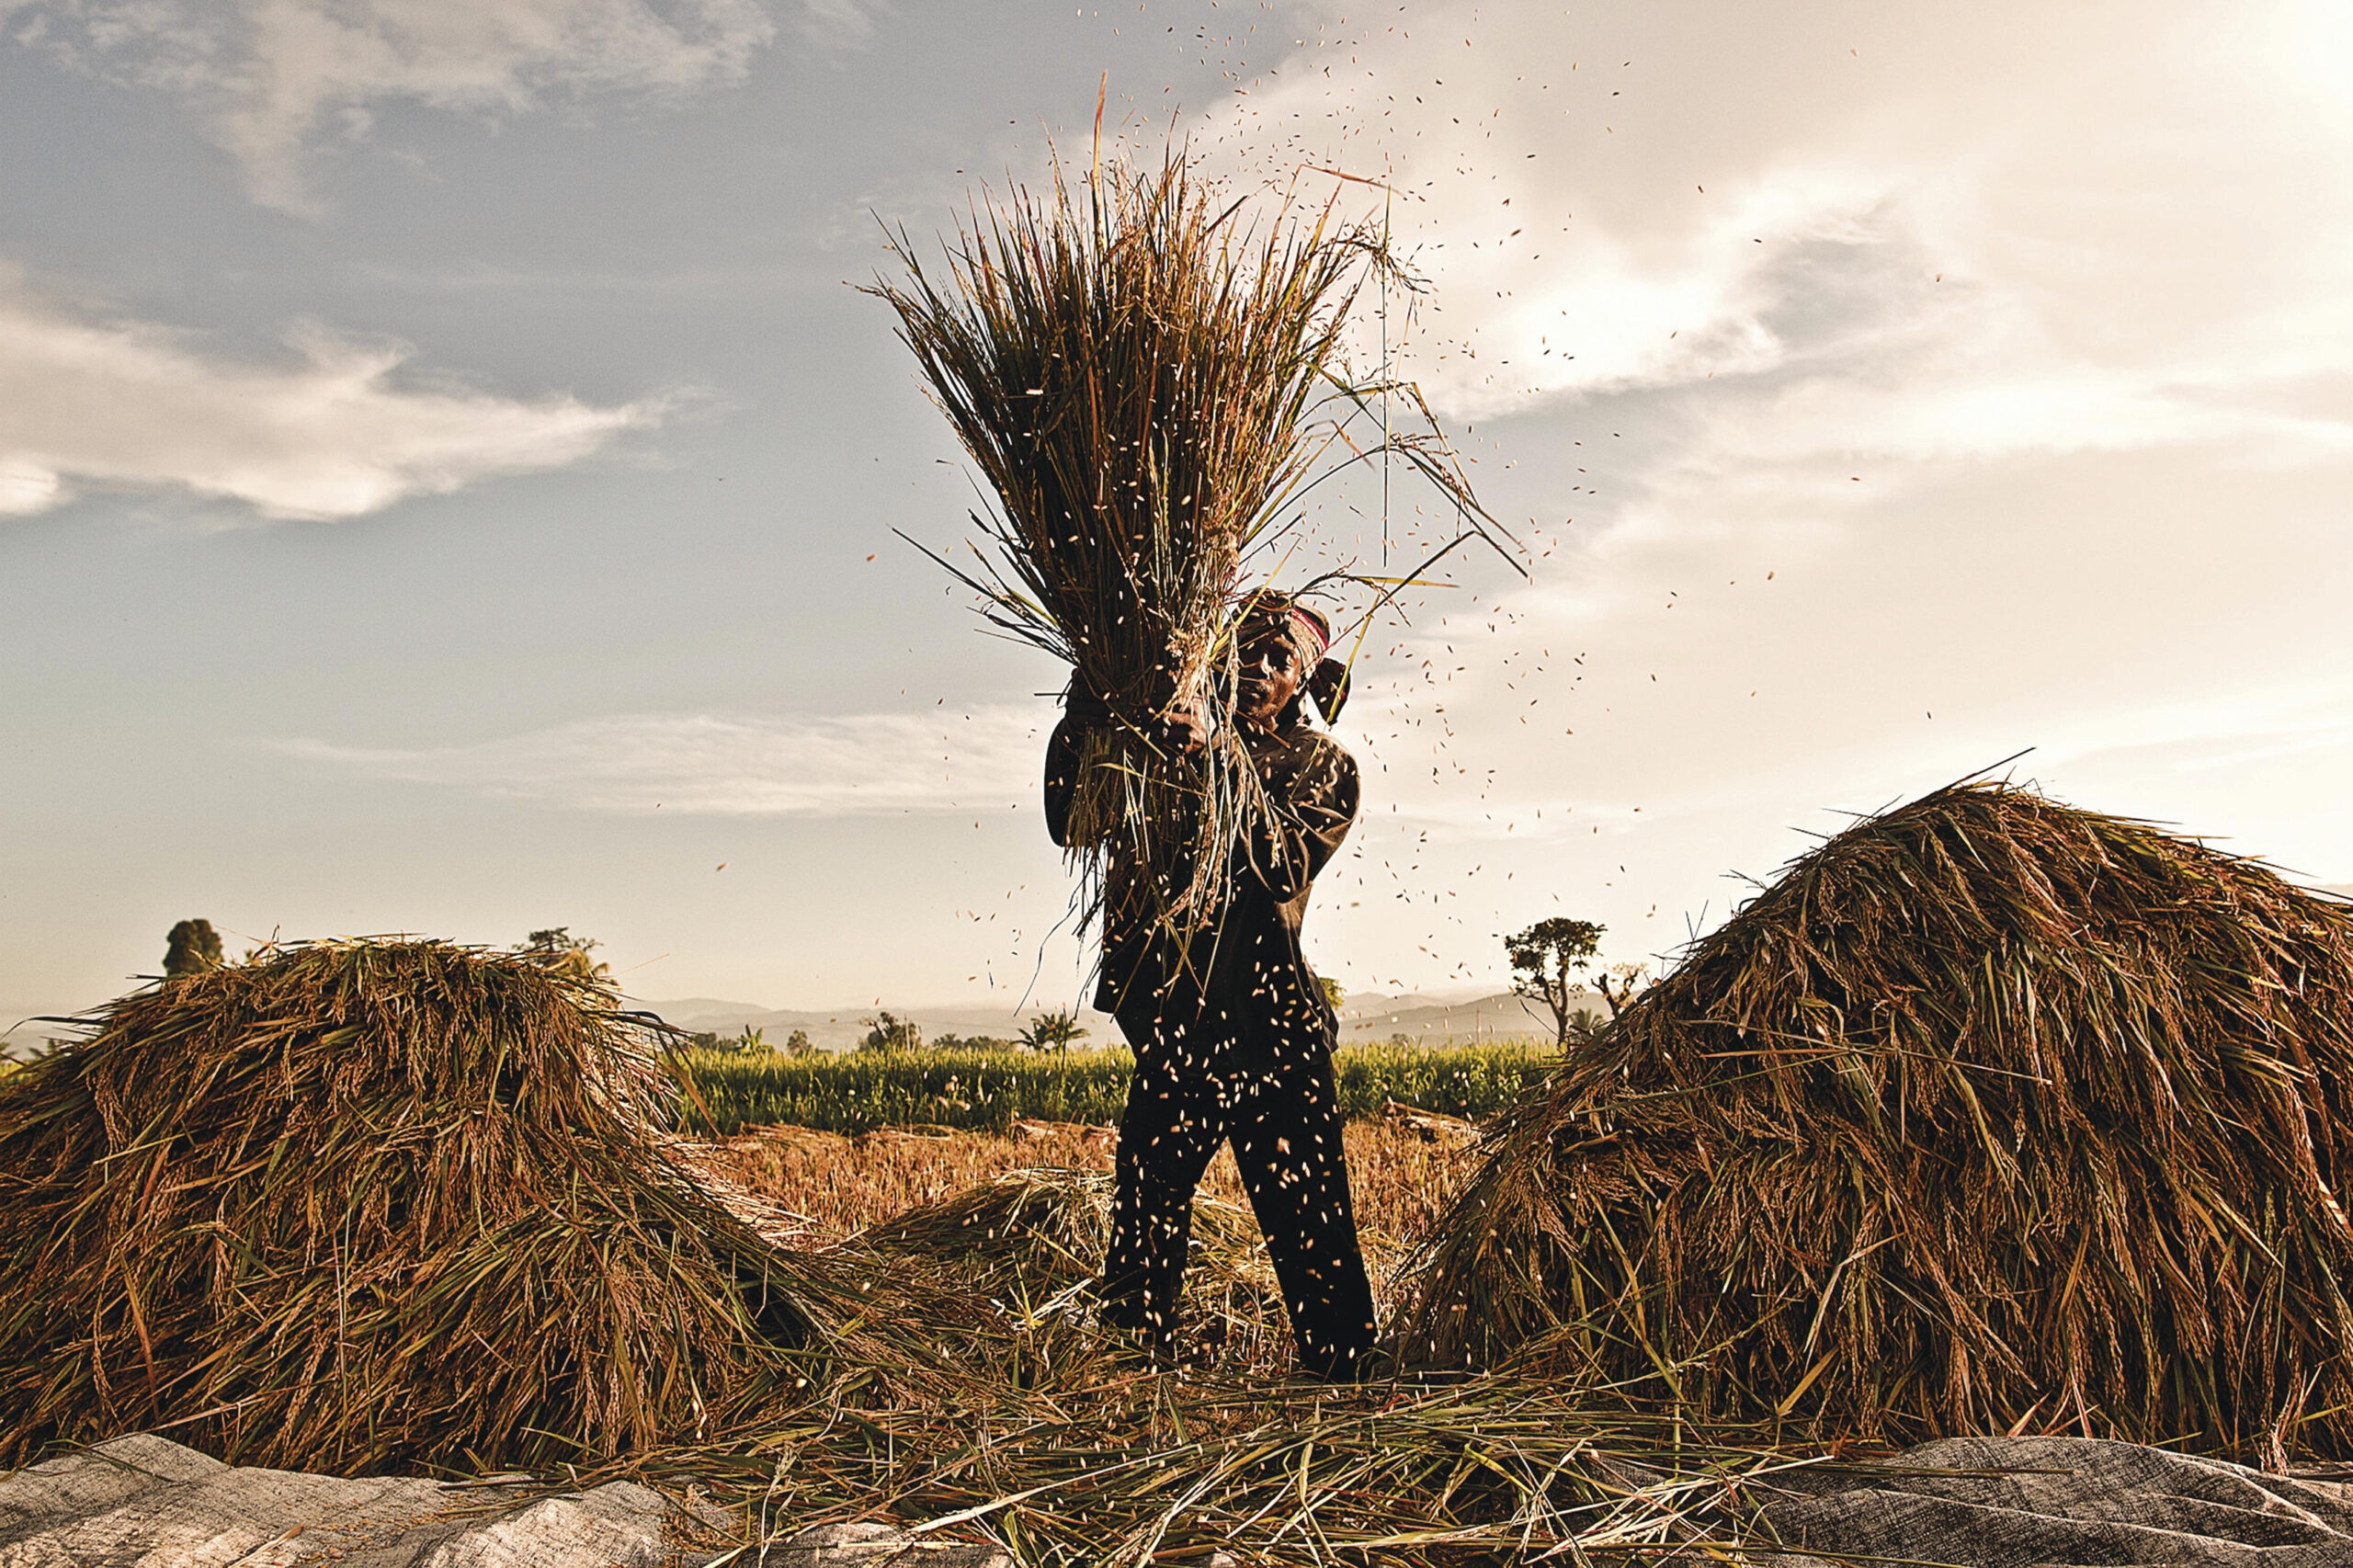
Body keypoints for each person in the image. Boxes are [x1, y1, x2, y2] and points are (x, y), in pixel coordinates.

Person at [1042, 595, 1378, 1379]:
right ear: (1215, 656)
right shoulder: (1161, 751)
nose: (1258, 666)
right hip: (1179, 1025)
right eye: (1246, 649)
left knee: (1310, 1224)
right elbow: (1072, 822)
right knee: (1146, 1210)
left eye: (1279, 658)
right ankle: (1131, 1379)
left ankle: (1349, 1388)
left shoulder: (1324, 768)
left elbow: (1280, 866)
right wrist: (1084, 717)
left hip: (1272, 1029)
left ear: (1304, 681)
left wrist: (1216, 751)